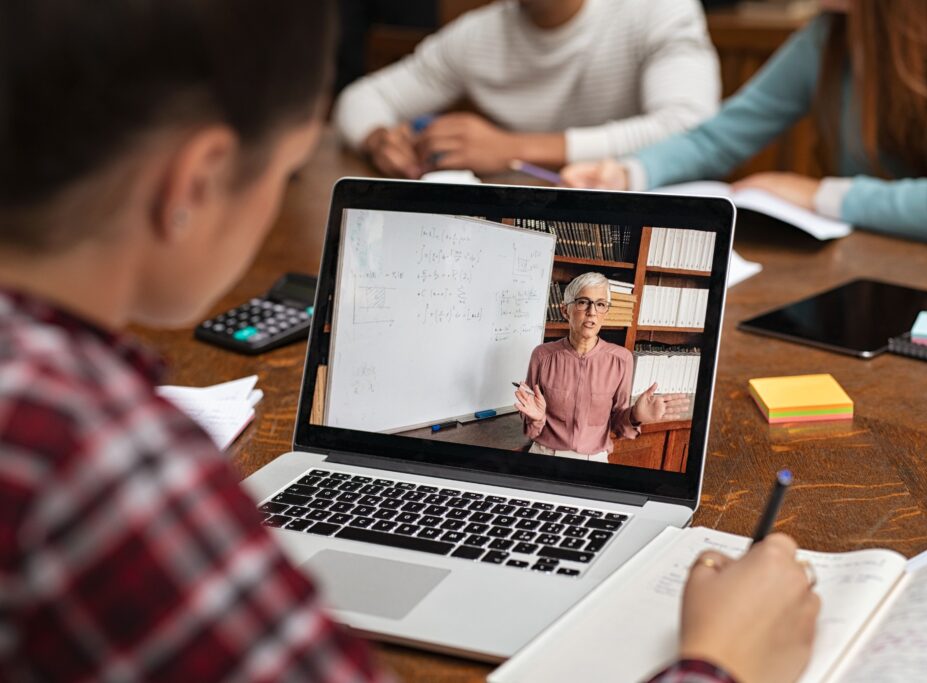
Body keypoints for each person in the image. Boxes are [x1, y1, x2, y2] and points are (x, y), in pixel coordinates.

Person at [0, 2, 817, 681]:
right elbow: (532, 429)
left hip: (589, 489)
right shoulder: (103, 465)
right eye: (287, 170)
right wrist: (724, 662)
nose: (590, 318)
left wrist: (632, 415)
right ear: (194, 185)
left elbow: (621, 428)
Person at [561, 0, 927, 249]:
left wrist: (818, 194)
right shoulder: (830, 36)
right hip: (863, 267)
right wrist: (628, 173)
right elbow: (721, 135)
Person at [334, 0, 720, 178]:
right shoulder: (478, 33)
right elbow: (361, 98)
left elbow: (691, 128)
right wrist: (379, 140)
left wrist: (512, 149)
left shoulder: (659, 10)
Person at [516, 272, 689, 463]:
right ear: (565, 311)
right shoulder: (542, 355)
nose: (592, 312)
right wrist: (536, 418)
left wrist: (635, 415)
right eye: (583, 302)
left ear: (605, 313)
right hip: (545, 454)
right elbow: (530, 427)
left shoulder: (621, 359)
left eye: (600, 305)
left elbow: (618, 424)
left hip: (595, 460)